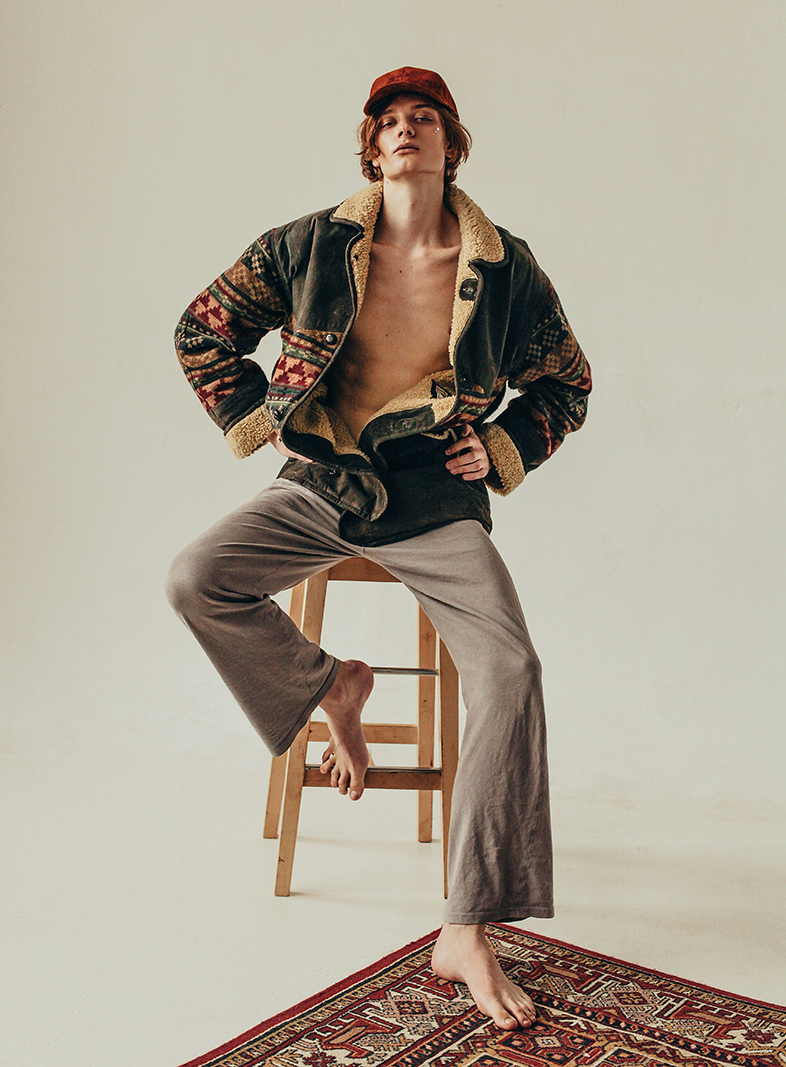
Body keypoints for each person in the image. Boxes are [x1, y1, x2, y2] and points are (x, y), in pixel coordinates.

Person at [166, 67, 591, 1031]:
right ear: (372, 148)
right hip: (324, 481)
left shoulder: (505, 267)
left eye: (423, 118)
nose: (404, 130)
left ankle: (466, 926)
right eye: (388, 121)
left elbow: (567, 380)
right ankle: (332, 685)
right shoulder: (309, 243)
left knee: (512, 671)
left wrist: (506, 447)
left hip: (435, 496)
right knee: (196, 578)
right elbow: (201, 329)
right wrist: (262, 419)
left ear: (451, 143)